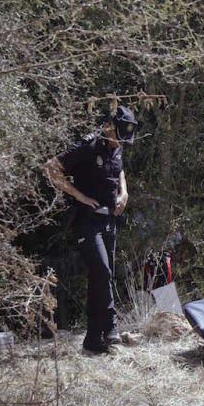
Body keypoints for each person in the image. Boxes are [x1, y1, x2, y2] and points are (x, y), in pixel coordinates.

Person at [43, 106, 137, 354]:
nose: (120, 142)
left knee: (101, 277)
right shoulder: (88, 146)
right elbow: (51, 167)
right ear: (108, 125)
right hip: (86, 221)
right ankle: (111, 327)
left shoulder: (117, 147)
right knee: (102, 270)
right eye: (118, 135)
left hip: (110, 220)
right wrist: (79, 195)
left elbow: (120, 170)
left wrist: (123, 192)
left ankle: (94, 340)